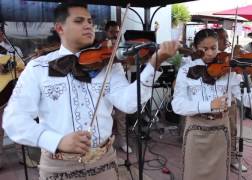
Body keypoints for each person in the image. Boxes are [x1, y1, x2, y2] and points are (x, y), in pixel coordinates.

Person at [2, 3, 178, 179]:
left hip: (104, 163)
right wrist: (57, 141)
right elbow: (13, 120)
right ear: (60, 28)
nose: (88, 25)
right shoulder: (38, 67)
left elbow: (129, 103)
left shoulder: (108, 65)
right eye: (79, 21)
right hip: (58, 167)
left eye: (89, 21)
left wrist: (154, 65)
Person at [171, 28, 252, 180]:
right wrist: (209, 105)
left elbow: (248, 100)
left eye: (213, 48)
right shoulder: (186, 70)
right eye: (204, 49)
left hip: (221, 131)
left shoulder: (229, 70)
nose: (209, 53)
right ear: (195, 49)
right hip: (195, 130)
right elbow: (178, 105)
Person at [215, 28, 247, 172]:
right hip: (214, 104)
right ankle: (219, 158)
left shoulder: (230, 59)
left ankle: (233, 157)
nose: (226, 40)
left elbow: (237, 84)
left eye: (227, 37)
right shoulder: (210, 59)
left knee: (233, 131)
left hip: (230, 101)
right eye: (223, 37)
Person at [104, 20, 132, 154]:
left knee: (122, 116)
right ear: (106, 32)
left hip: (120, 85)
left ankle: (123, 142)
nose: (115, 35)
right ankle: (105, 142)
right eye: (112, 32)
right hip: (105, 86)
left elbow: (128, 63)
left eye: (117, 32)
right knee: (105, 115)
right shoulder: (101, 46)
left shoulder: (122, 46)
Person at [0, 23, 26, 169]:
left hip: (13, 92)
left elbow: (22, 68)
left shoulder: (14, 50)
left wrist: (18, 69)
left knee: (17, 125)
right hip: (0, 95)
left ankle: (23, 156)